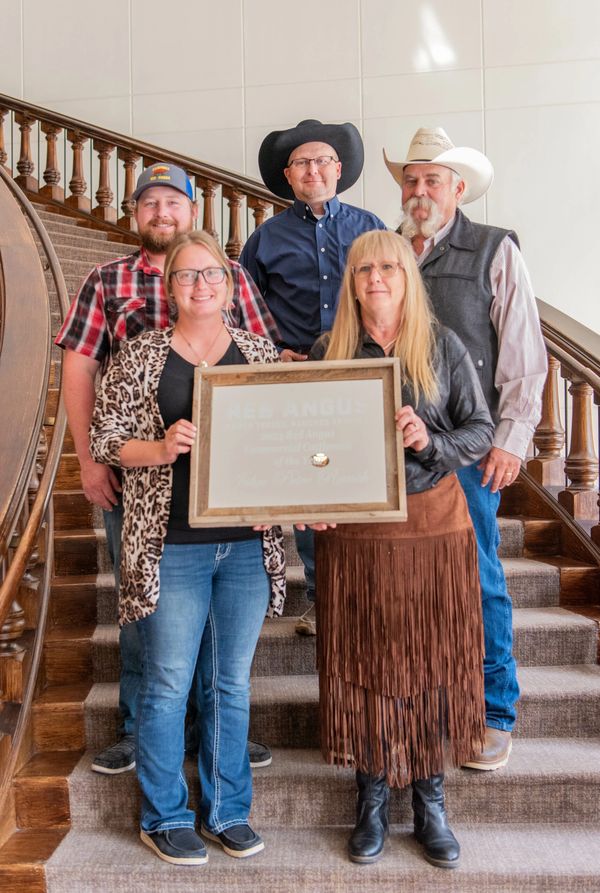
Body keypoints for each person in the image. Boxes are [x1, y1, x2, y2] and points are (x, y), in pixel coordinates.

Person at [55, 162, 277, 774]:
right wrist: (88, 460)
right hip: (139, 477)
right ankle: (138, 725)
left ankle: (217, 726)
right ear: (136, 214)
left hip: (228, 490)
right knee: (141, 604)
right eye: (149, 203)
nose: (161, 212)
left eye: (172, 202)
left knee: (218, 614)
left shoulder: (228, 276)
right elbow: (78, 370)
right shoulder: (107, 280)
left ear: (191, 212)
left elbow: (266, 371)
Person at [89, 230, 286, 866]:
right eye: (187, 276)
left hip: (247, 549)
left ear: (230, 287)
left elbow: (288, 448)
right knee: (169, 682)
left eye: (213, 275)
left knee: (229, 684)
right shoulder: (140, 355)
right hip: (170, 546)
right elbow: (108, 438)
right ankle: (164, 814)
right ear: (168, 287)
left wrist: (286, 499)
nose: (201, 285)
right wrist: (162, 448)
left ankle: (228, 810)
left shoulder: (259, 354)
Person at [311, 229, 494, 868]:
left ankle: (429, 800)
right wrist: (314, 501)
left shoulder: (442, 346)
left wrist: (428, 442)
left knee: (435, 663)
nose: (377, 278)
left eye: (390, 267)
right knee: (362, 662)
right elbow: (311, 451)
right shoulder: (327, 350)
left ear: (408, 277)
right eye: (365, 269)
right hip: (358, 537)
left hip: (433, 529)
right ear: (351, 281)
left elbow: (481, 431)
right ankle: (370, 798)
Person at [383, 127, 547, 770]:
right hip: (392, 454)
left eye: (432, 180)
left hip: (468, 450)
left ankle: (494, 710)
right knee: (409, 585)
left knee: (478, 578)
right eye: (411, 180)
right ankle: (425, 703)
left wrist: (511, 439)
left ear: (457, 189)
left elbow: (524, 354)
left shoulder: (493, 249)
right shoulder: (385, 251)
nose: (419, 191)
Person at [240, 119, 387, 635]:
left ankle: (369, 594)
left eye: (322, 160)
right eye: (302, 162)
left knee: (367, 476)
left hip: (363, 376)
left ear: (339, 170)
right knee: (311, 479)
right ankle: (322, 597)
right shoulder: (265, 239)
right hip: (296, 377)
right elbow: (242, 314)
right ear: (289, 175)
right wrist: (273, 354)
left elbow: (398, 296)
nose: (313, 169)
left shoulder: (371, 228)